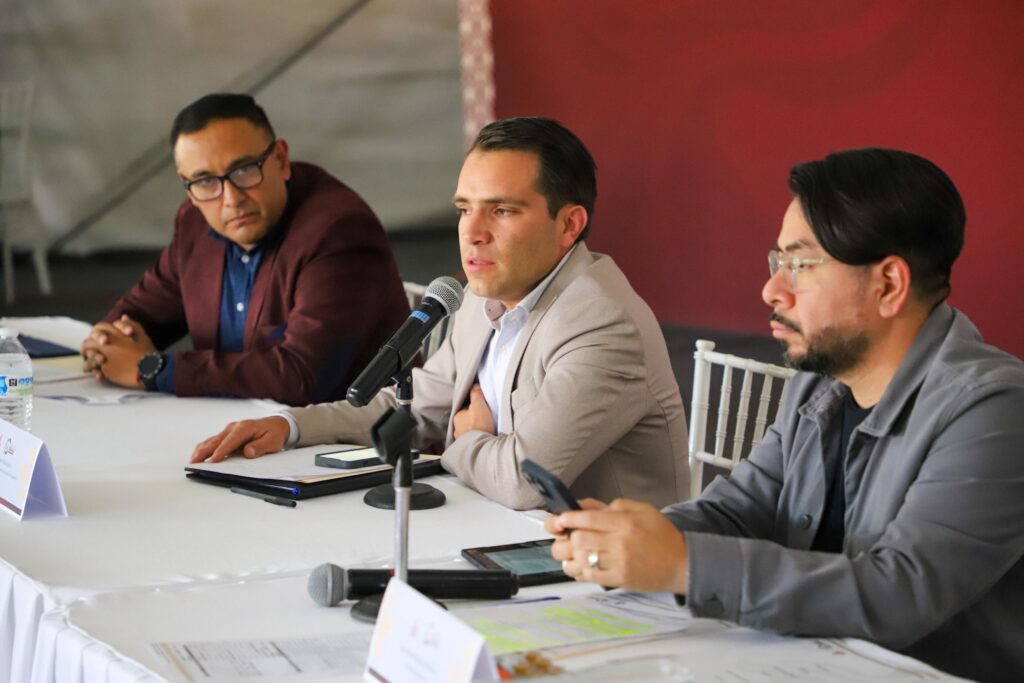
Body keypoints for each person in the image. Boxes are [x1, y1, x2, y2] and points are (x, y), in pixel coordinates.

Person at [546, 148, 1024, 682]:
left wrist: (683, 563)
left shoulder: (994, 411)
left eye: (800, 265)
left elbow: (899, 593)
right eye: (779, 262)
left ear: (888, 285)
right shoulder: (822, 383)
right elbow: (742, 509)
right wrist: (630, 538)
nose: (772, 290)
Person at [192, 116, 689, 510]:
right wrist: (291, 426)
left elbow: (522, 482)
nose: (472, 232)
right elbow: (415, 408)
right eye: (464, 209)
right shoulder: (480, 296)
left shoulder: (601, 323)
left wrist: (465, 438)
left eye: (502, 211)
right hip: (497, 530)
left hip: (605, 577)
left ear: (569, 225)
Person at [79, 93, 409, 406]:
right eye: (205, 181)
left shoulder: (339, 231)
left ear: (280, 160)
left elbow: (302, 377)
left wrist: (154, 370)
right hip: (234, 427)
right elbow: (137, 315)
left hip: (342, 436)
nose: (231, 198)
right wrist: (107, 343)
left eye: (245, 169)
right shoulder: (194, 222)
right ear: (189, 189)